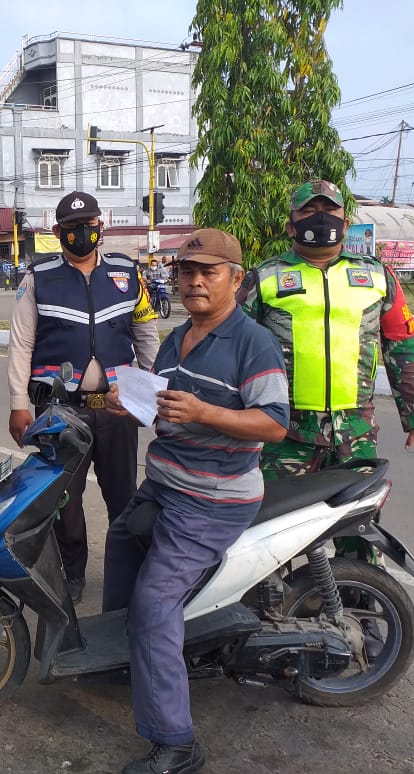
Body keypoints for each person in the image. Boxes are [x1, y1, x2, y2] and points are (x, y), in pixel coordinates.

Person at [103, 228, 290, 774]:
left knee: (155, 603)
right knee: (119, 541)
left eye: (209, 271)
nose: (195, 281)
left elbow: (274, 425)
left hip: (210, 500)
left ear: (236, 278)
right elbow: (165, 408)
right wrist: (132, 405)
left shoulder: (253, 342)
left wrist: (205, 413)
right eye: (187, 272)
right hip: (165, 482)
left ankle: (177, 742)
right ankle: (125, 658)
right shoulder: (176, 336)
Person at [237, 180, 414, 488]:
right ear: (291, 226)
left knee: (358, 529)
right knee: (282, 529)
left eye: (329, 210)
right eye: (309, 210)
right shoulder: (264, 279)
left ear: (345, 224)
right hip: (285, 435)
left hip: (356, 434)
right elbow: (236, 350)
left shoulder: (377, 276)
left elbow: (403, 346)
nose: (321, 217)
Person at [8, 191, 160, 604]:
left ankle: (127, 574)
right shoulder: (37, 279)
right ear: (58, 232)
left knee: (123, 496)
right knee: (64, 502)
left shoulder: (128, 274)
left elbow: (145, 334)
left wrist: (149, 389)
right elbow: (21, 345)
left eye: (88, 226)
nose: (81, 234)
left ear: (101, 227)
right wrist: (18, 403)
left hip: (116, 409)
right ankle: (72, 574)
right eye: (72, 228)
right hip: (60, 411)